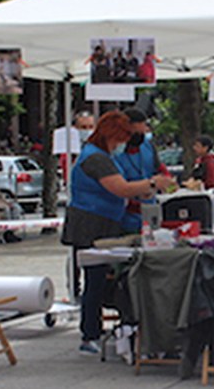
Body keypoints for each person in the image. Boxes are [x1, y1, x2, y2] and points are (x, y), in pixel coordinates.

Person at [61, 111, 175, 355]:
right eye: (121, 140)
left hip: (106, 221)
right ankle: (89, 334)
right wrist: (152, 184)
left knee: (103, 279)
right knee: (95, 280)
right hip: (90, 224)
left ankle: (103, 328)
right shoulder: (96, 159)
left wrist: (143, 191)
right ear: (111, 136)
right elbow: (120, 188)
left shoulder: (102, 155)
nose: (123, 145)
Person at [113, 108, 169, 233]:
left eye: (144, 130)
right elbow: (117, 187)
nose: (142, 134)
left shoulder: (148, 146)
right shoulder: (115, 152)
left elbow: (160, 169)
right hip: (124, 215)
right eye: (137, 132)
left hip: (150, 212)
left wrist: (166, 180)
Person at [59, 111, 96, 182]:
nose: (88, 130)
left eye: (91, 127)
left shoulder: (100, 146)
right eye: (83, 127)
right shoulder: (69, 148)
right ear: (76, 128)